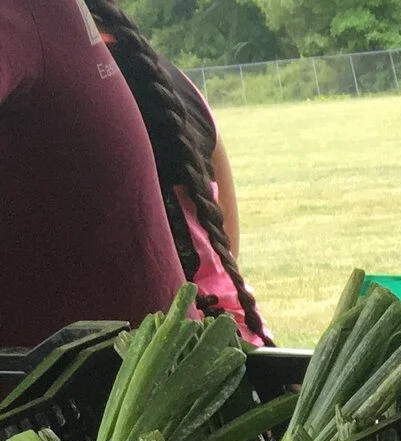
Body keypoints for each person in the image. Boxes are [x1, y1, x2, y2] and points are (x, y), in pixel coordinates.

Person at [0, 0, 269, 348]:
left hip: (137, 365)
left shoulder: (26, 24)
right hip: (216, 343)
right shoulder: (166, 78)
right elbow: (226, 239)